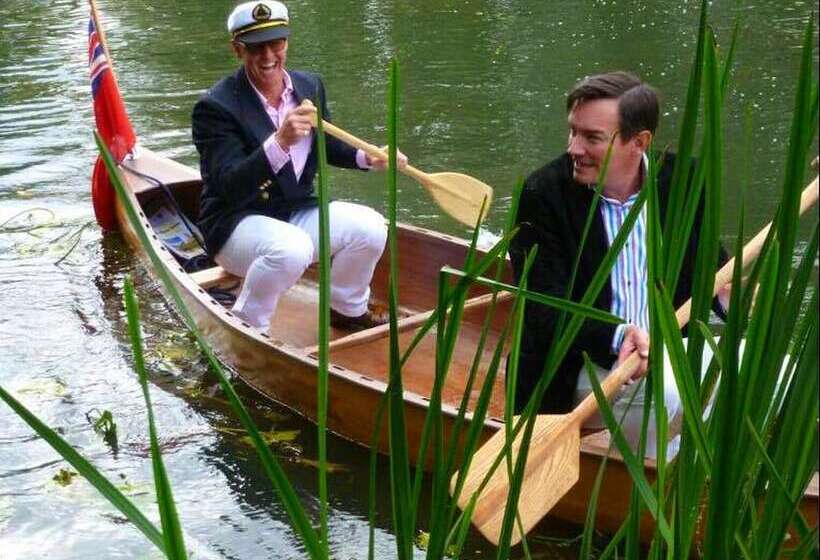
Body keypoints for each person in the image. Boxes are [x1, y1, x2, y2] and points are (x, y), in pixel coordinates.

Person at [509, 71, 727, 458]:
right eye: (573, 132)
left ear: (639, 142)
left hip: (666, 353)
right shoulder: (542, 193)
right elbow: (543, 311)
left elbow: (710, 267)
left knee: (783, 371)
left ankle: (694, 461)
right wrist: (619, 334)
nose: (574, 148)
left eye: (591, 138)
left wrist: (734, 295)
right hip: (576, 368)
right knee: (668, 395)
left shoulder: (684, 180)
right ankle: (659, 476)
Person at [192, 0, 406, 332]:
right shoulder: (215, 107)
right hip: (235, 225)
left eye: (276, 43)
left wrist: (369, 156)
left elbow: (326, 143)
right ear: (237, 49)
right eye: (255, 47)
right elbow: (229, 185)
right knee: (292, 249)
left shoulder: (309, 86)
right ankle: (249, 325)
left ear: (287, 41)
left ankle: (347, 310)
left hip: (294, 211)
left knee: (371, 227)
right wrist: (279, 142)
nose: (268, 55)